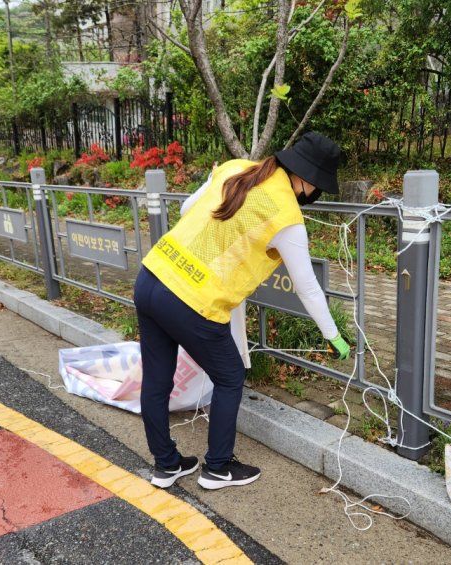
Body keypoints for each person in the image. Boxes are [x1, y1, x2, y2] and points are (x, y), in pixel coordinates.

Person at [134, 132, 350, 490]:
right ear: (307, 181)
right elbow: (308, 287)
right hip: (192, 300)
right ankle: (218, 467)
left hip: (152, 276)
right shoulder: (287, 218)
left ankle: (166, 465)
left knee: (157, 380)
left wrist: (209, 181)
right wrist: (333, 336)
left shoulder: (236, 168)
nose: (315, 195)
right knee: (231, 375)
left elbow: (189, 209)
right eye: (318, 188)